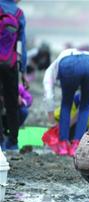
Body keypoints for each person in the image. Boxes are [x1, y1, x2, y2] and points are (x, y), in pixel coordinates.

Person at [43, 48, 89, 156]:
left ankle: (63, 144)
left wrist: (52, 123)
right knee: (85, 105)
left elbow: (48, 97)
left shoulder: (51, 70)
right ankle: (77, 145)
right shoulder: (85, 55)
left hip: (70, 65)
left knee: (66, 104)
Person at [0, 0, 29, 150]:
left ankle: (0, 141)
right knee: (12, 103)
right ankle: (12, 141)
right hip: (10, 63)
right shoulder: (18, 13)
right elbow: (22, 45)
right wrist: (23, 70)